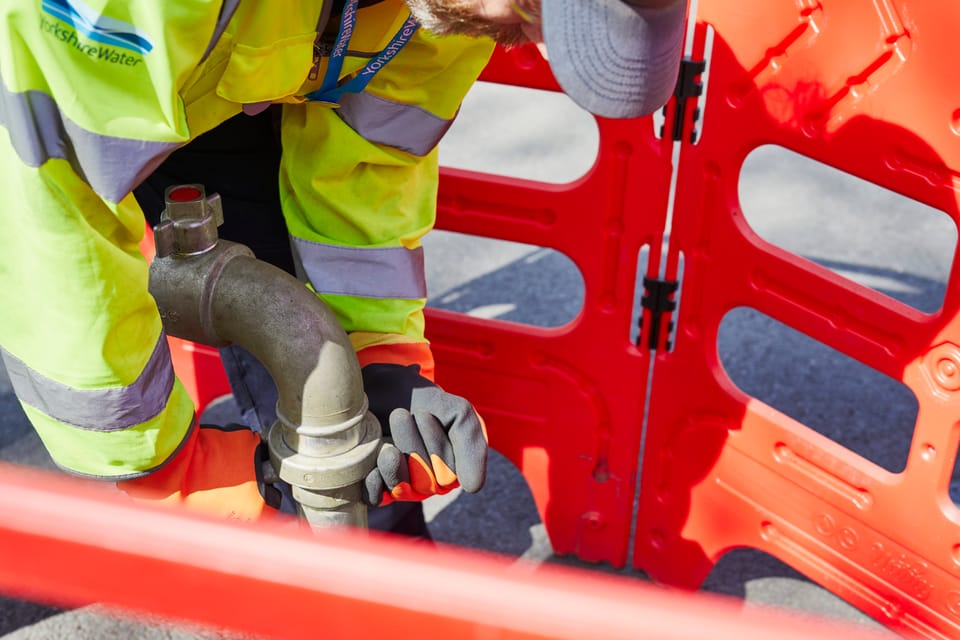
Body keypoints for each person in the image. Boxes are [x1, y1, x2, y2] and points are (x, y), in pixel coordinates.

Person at [0, 0, 686, 536]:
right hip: (74, 71)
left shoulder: (473, 12)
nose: (523, 31)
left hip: (236, 69)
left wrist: (378, 353)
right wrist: (164, 472)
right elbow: (45, 205)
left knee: (342, 408)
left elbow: (371, 157)